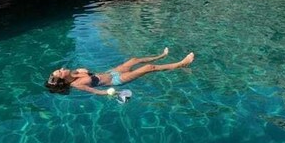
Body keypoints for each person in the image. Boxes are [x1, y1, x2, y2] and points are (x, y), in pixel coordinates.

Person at [45, 48, 194, 95]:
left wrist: (88, 71)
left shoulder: (75, 72)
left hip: (111, 72)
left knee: (134, 59)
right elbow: (97, 92)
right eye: (60, 71)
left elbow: (94, 74)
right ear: (63, 80)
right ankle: (182, 64)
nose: (62, 68)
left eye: (59, 69)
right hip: (117, 80)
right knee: (149, 68)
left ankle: (161, 55)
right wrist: (113, 93)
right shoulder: (77, 85)